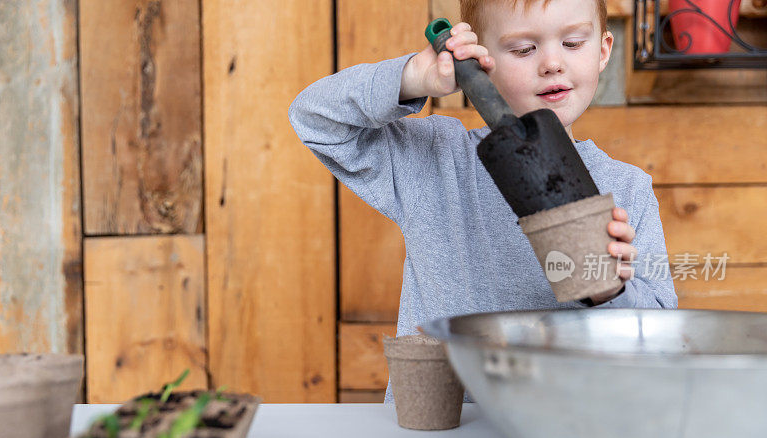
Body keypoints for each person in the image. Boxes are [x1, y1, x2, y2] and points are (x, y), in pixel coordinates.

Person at [288, 0, 678, 403]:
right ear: (482, 62)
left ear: (602, 51)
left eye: (573, 42)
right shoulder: (437, 160)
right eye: (524, 49)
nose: (551, 63)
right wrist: (412, 77)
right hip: (442, 431)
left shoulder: (628, 189)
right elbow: (315, 119)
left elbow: (663, 339)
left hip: (572, 430)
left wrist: (610, 291)